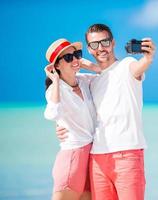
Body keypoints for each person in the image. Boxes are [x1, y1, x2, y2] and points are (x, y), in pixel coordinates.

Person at [57, 24, 156, 200]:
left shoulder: (127, 65)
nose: (101, 48)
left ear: (113, 42)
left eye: (105, 42)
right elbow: (71, 100)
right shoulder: (91, 82)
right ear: (88, 49)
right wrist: (62, 125)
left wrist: (148, 59)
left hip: (128, 155)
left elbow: (139, 67)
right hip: (97, 159)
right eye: (94, 45)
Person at [44, 38, 97, 200]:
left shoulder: (84, 81)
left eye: (76, 55)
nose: (74, 59)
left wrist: (88, 65)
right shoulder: (55, 90)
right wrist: (56, 81)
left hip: (91, 155)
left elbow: (109, 75)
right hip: (73, 156)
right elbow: (52, 114)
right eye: (68, 58)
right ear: (56, 66)